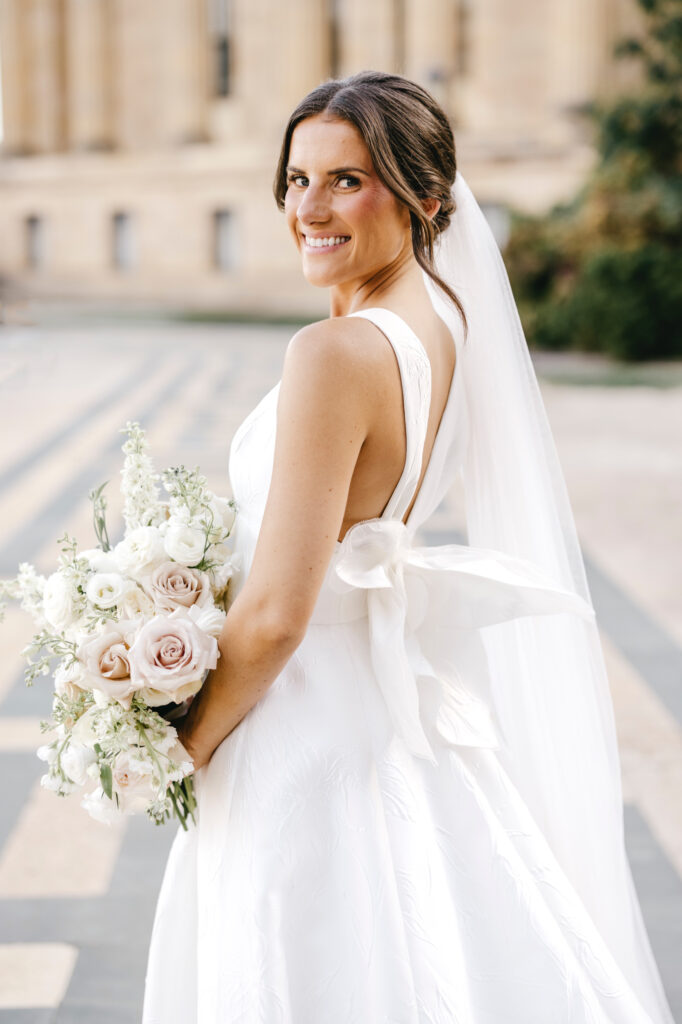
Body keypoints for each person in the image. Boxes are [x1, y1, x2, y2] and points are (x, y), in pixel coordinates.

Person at [142, 71, 674, 1023]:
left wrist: (175, 748)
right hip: (387, 711)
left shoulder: (334, 354)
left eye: (349, 180)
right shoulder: (445, 323)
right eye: (298, 179)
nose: (310, 207)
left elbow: (275, 617)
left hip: (299, 728)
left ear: (428, 197)